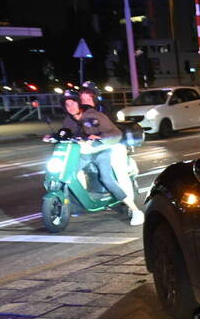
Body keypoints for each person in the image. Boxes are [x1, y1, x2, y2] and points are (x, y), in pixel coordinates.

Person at [59, 91, 144, 225]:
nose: (70, 107)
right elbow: (64, 133)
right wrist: (53, 136)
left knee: (108, 178)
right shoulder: (69, 120)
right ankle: (78, 203)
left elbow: (116, 133)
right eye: (67, 104)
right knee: (68, 172)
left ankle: (135, 210)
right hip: (85, 153)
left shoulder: (94, 115)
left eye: (73, 103)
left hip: (103, 150)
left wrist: (100, 137)